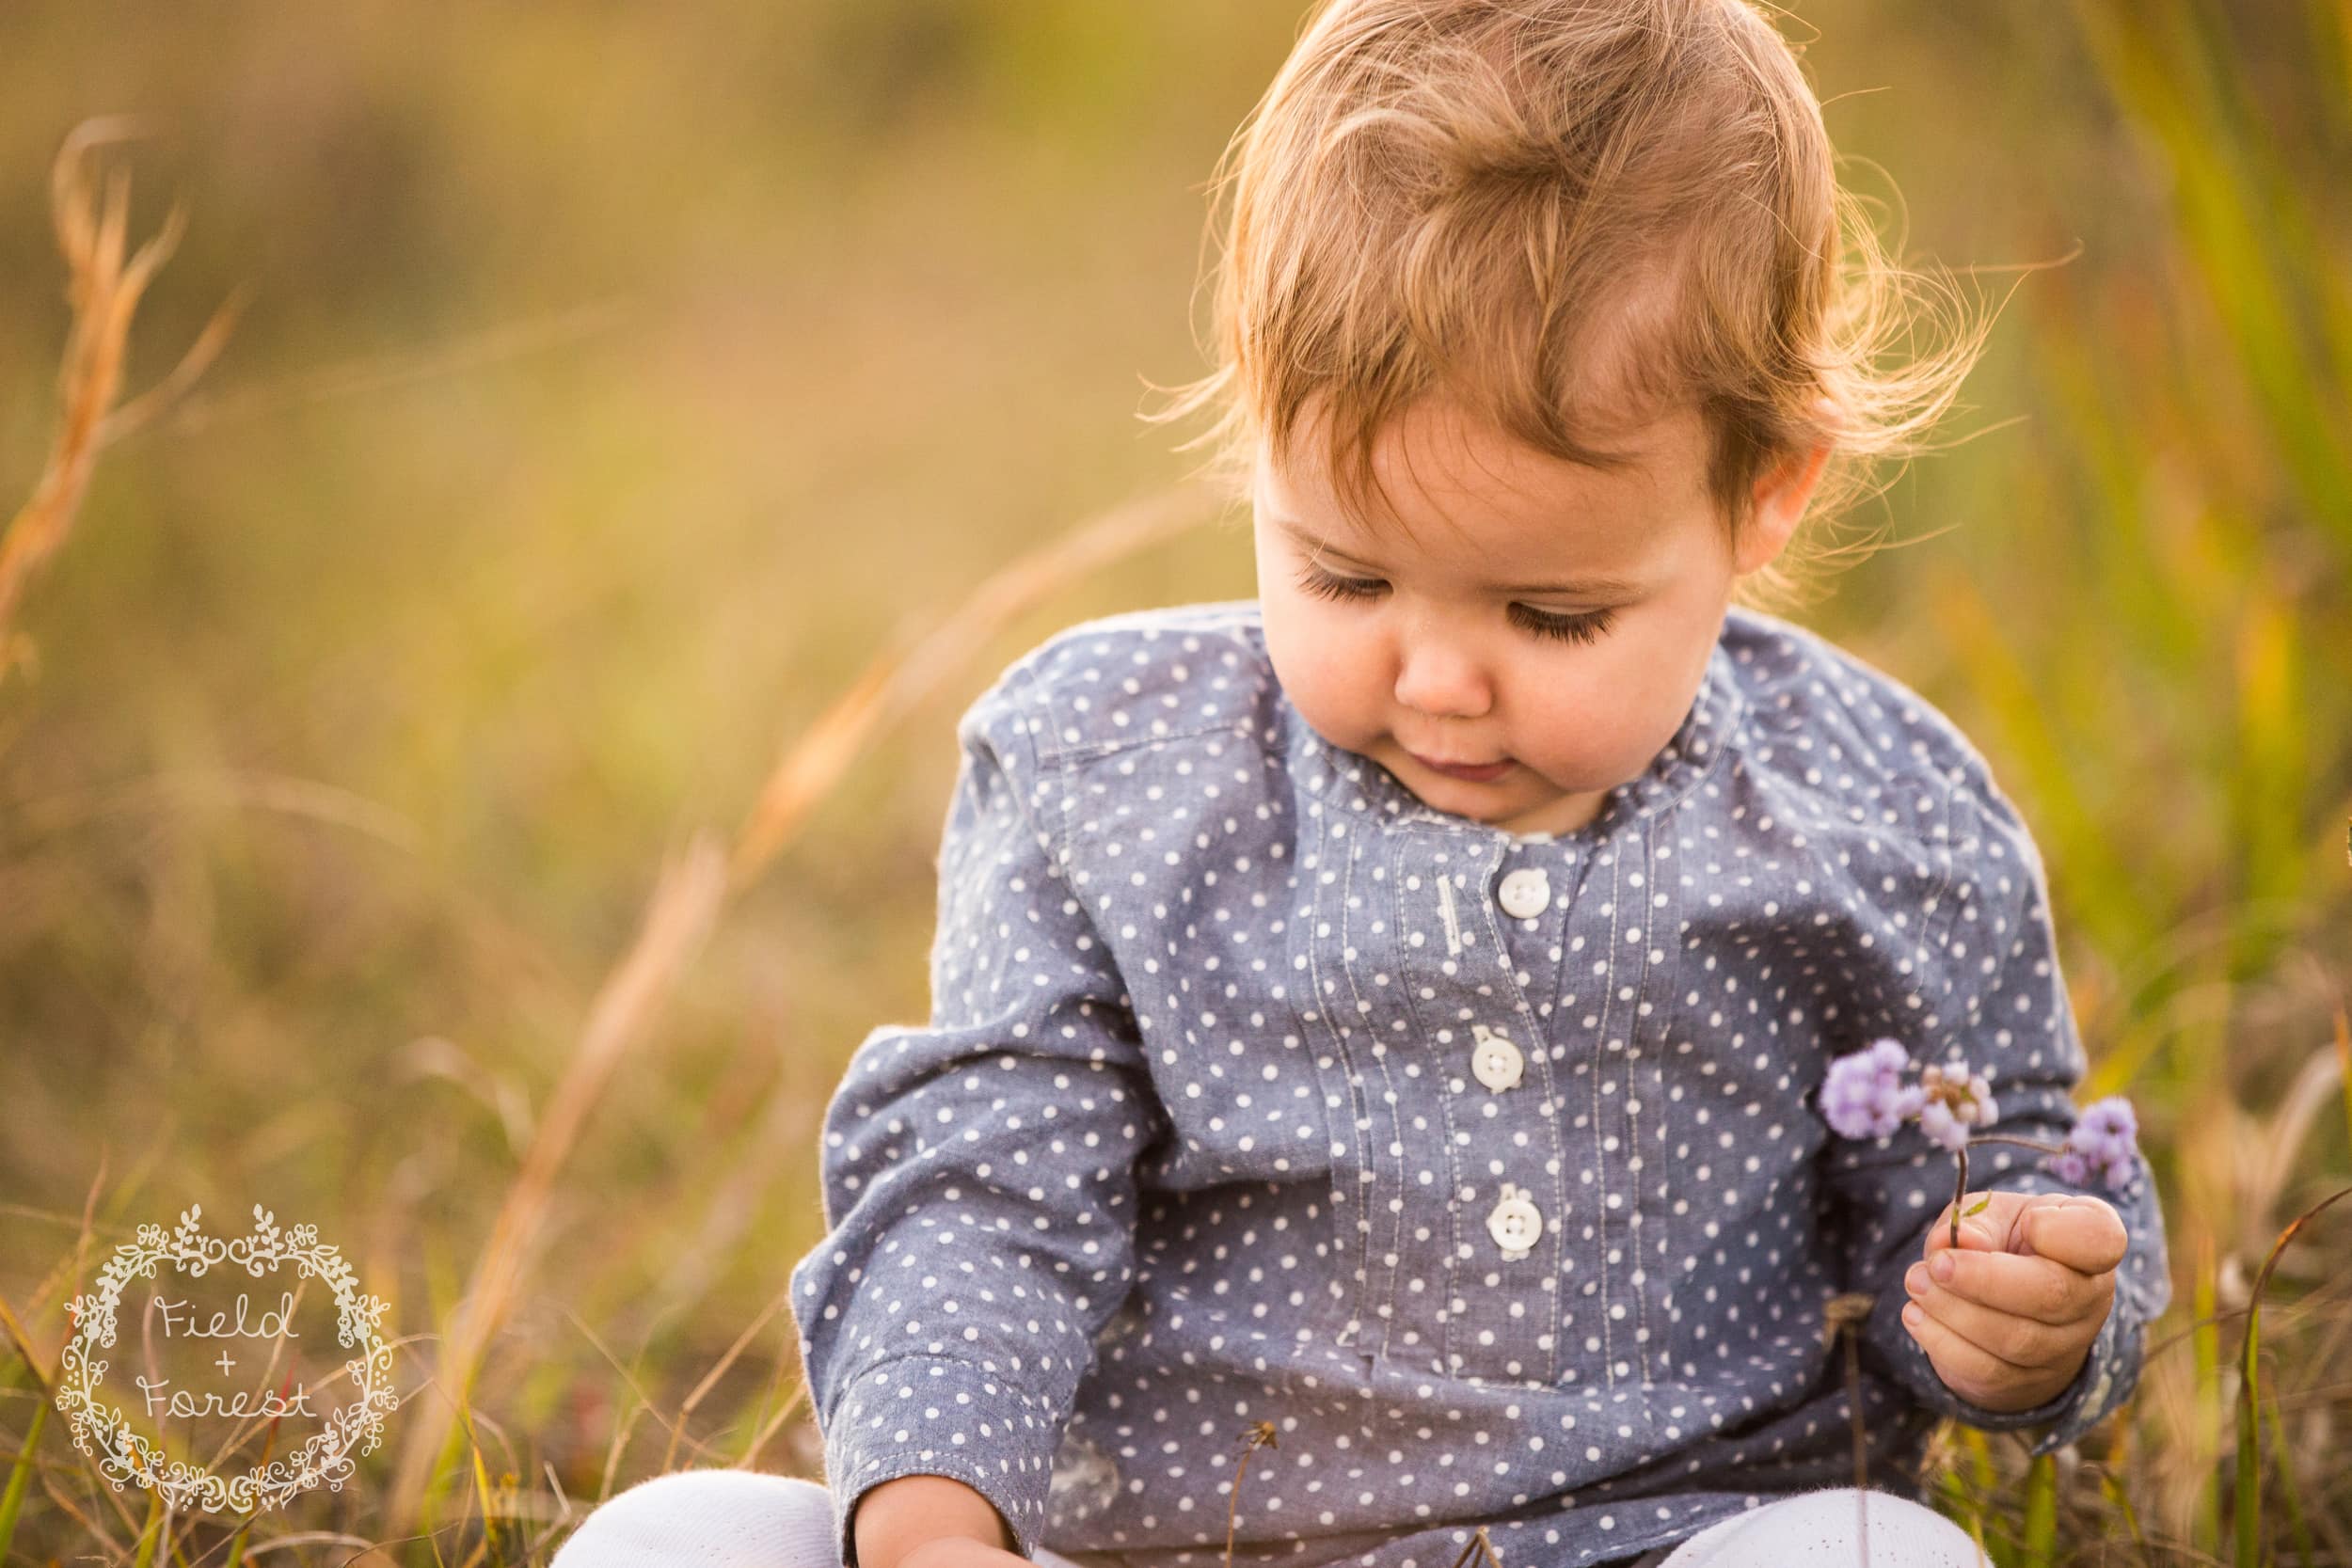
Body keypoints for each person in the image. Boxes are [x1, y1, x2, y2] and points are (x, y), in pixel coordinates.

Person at [552, 2, 2170, 1564]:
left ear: (1767, 490)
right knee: (663, 1544)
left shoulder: (1877, 812)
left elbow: (1990, 1159)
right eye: (1343, 578)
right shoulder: (1110, 770)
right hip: (1169, 1550)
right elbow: (988, 1174)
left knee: (1883, 1559)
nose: (1439, 678)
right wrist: (928, 1527)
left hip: (1672, 1536)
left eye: (1553, 613)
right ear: (1259, 441)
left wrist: (2026, 1317)